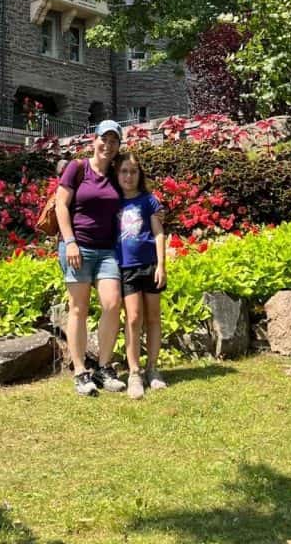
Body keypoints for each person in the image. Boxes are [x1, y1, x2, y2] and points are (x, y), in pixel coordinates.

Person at [55, 119, 127, 396]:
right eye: (103, 139)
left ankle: (104, 368)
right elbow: (61, 204)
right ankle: (81, 372)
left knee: (112, 303)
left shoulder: (117, 174)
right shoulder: (77, 168)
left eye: (114, 141)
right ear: (93, 140)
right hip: (77, 248)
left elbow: (132, 200)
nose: (107, 145)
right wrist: (70, 242)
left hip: (107, 249)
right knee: (78, 309)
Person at [115, 150, 167, 399]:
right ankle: (134, 371)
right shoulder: (113, 201)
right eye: (124, 171)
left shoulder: (149, 201)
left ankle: (153, 369)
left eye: (133, 171)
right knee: (133, 318)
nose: (128, 176)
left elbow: (159, 233)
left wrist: (161, 265)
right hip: (126, 267)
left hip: (149, 265)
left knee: (154, 317)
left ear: (140, 174)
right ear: (117, 174)